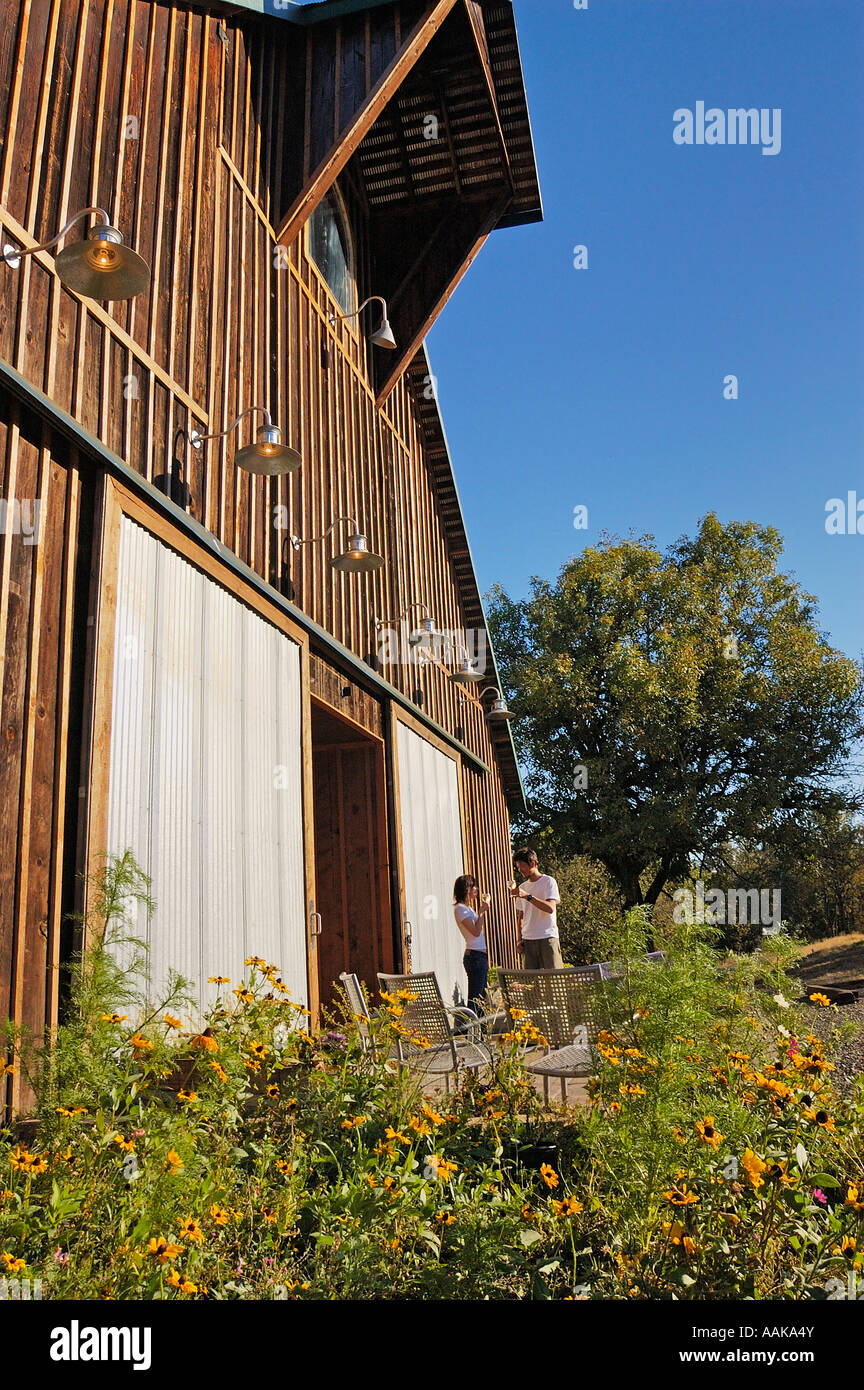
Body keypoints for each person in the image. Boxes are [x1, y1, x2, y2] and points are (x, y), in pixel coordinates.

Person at [509, 847, 562, 970]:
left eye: (522, 866)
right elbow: (521, 918)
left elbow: (550, 908)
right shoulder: (522, 887)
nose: (520, 870)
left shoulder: (549, 882)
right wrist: (519, 940)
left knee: (554, 981)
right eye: (517, 867)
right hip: (528, 941)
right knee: (530, 984)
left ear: (532, 863)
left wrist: (528, 896)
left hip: (548, 938)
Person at [453, 874, 490, 1015]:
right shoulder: (460, 909)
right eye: (473, 886)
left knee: (481, 998)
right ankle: (473, 1033)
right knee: (475, 998)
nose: (477, 889)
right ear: (466, 889)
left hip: (479, 955)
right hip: (474, 956)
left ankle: (481, 1034)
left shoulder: (468, 909)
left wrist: (480, 912)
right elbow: (475, 932)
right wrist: (481, 913)